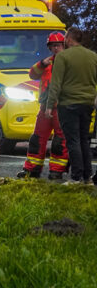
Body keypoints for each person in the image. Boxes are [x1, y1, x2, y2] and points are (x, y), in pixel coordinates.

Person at [45, 27, 97, 183]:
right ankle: (87, 176)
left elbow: (56, 83)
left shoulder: (63, 56)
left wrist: (49, 105)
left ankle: (76, 177)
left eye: (65, 37)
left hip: (68, 104)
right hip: (88, 103)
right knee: (84, 140)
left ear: (69, 39)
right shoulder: (93, 56)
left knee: (73, 141)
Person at [17, 32, 68, 179]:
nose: (55, 48)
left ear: (64, 46)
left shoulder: (69, 63)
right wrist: (42, 63)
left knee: (59, 140)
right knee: (37, 138)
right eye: (53, 46)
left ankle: (56, 171)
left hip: (61, 107)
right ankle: (31, 169)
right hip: (45, 106)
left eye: (58, 45)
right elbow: (32, 74)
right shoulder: (47, 63)